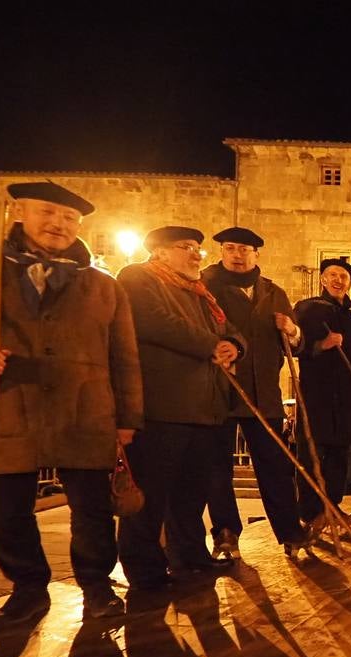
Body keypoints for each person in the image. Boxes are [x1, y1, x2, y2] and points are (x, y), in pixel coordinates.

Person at [0, 181, 143, 626]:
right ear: (19, 211)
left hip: (86, 411)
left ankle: (96, 584)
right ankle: (28, 587)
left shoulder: (103, 286)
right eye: (47, 212)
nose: (58, 223)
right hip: (10, 407)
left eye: (70, 218)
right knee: (7, 510)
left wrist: (128, 417)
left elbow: (125, 356)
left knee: (92, 510)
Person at [117, 225, 244, 591]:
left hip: (205, 409)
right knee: (151, 494)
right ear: (158, 252)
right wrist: (212, 345)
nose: (195, 255)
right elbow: (155, 321)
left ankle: (189, 556)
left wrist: (234, 345)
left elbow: (230, 329)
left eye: (197, 249)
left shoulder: (200, 292)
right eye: (185, 247)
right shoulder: (138, 278)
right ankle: (144, 570)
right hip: (162, 407)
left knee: (191, 493)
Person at [200, 226, 308, 558]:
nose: (237, 254)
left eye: (244, 249)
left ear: (256, 254)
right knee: (217, 467)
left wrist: (291, 330)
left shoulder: (273, 292)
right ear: (221, 252)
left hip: (265, 395)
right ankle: (226, 533)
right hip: (219, 392)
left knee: (275, 466)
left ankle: (290, 530)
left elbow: (297, 344)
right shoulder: (204, 287)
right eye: (230, 248)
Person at [295, 258, 351, 535]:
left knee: (339, 453)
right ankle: (311, 512)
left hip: (347, 396)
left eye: (344, 276)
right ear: (323, 279)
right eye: (333, 275)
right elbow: (293, 345)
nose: (339, 280)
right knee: (312, 450)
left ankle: (333, 507)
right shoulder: (307, 309)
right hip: (317, 394)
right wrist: (320, 345)